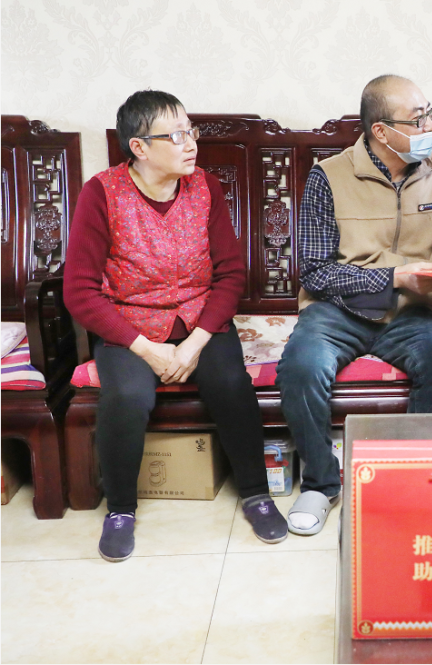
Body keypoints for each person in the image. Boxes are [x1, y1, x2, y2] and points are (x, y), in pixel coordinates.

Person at [64, 90, 288, 562]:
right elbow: (80, 291)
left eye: (192, 132)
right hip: (129, 325)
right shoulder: (101, 193)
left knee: (230, 382)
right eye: (177, 135)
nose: (191, 144)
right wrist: (148, 349)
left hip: (200, 320)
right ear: (139, 147)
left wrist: (193, 345)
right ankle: (120, 509)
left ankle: (256, 493)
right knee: (127, 396)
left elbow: (230, 274)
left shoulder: (206, 187)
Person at [276, 74, 432, 535]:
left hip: (409, 312)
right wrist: (392, 276)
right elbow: (315, 272)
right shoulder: (328, 176)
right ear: (381, 131)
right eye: (417, 119)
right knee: (301, 367)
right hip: (337, 311)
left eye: (429, 114)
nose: (430, 126)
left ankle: (410, 477)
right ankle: (321, 484)